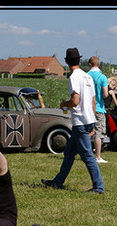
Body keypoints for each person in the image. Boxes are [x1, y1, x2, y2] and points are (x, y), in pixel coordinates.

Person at [41, 48, 105, 194]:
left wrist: (64, 104)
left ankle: (98, 187)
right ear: (80, 60)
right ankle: (57, 182)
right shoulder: (87, 77)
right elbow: (93, 101)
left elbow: (75, 101)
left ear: (66, 62)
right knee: (69, 154)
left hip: (80, 122)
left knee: (87, 156)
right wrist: (93, 122)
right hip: (88, 120)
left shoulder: (73, 77)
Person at [87, 56, 109, 163]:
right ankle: (98, 157)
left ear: (89, 64)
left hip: (87, 108)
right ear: (98, 64)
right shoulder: (102, 77)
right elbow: (105, 94)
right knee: (98, 133)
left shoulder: (86, 76)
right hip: (99, 107)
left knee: (87, 131)